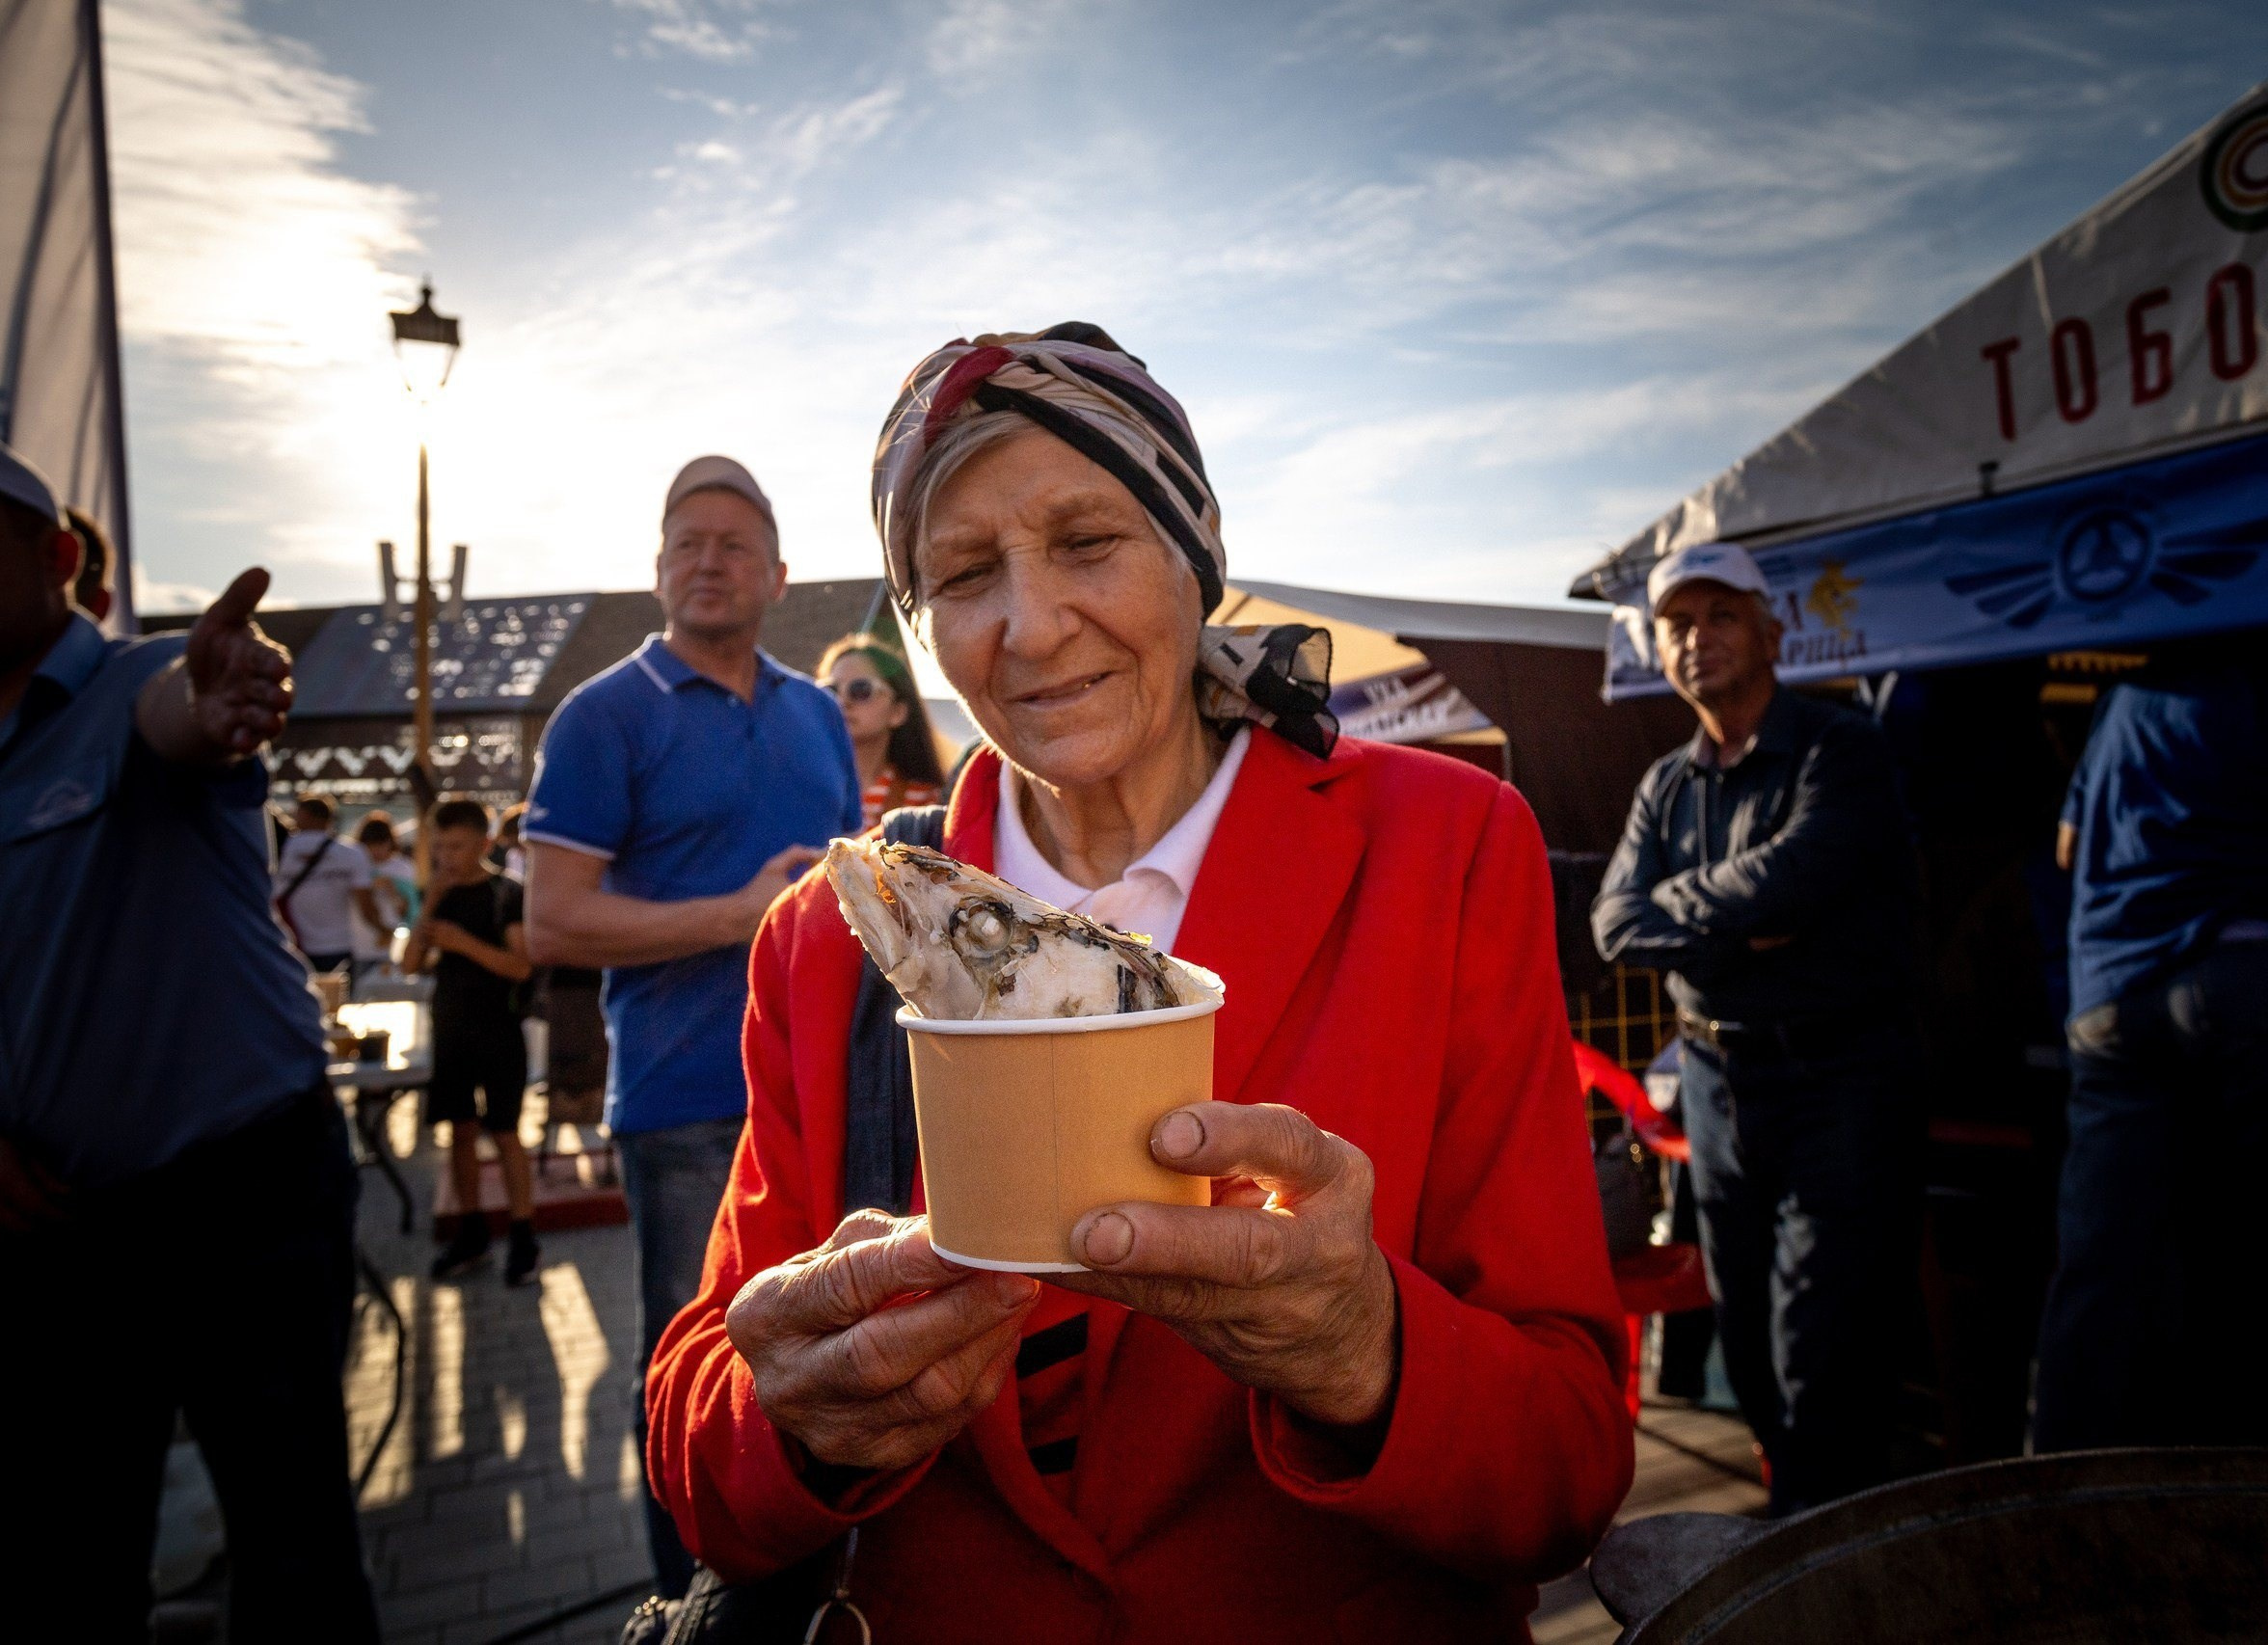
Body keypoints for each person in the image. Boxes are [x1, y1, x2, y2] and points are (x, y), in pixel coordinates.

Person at [644, 327, 1631, 1641]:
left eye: (1089, 541)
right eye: (964, 572)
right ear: (927, 624)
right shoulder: (835, 934)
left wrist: (1368, 1349)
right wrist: (800, 1424)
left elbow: (1568, 1461)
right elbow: (699, 1443)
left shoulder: (1444, 845)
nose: (1033, 622)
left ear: (1196, 550)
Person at [0, 420, 378, 1637]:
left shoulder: (134, 685)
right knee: (57, 1569)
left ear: (55, 550)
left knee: (292, 1549)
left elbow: (184, 712)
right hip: (21, 1230)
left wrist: (221, 695)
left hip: (235, 1199)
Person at [524, 454, 860, 1596]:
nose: (704, 559)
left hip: (825, 1092)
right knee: (695, 1362)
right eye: (683, 542)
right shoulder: (602, 714)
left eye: (729, 542)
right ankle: (691, 1599)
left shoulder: (817, 710)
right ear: (657, 570)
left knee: (830, 1356)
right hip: (682, 1104)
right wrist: (739, 915)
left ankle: (812, 1579)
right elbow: (551, 921)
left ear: (776, 574)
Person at [1591, 540, 1923, 1516]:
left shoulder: (1840, 748)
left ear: (1772, 633)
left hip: (1843, 1073)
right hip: (1718, 1076)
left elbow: (1799, 874)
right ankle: (1803, 1511)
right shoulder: (1665, 781)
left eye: (1720, 615)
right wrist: (1743, 927)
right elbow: (1614, 921)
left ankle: (1825, 1531)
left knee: (1823, 1326)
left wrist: (1682, 909)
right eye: (1678, 623)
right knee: (1741, 1319)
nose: (1698, 638)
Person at [2033, 632, 2268, 1451]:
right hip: (2237, 976)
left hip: (2110, 1001)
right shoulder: (2246, 690)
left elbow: (2066, 848)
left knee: (2100, 1258)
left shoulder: (2119, 707)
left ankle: (2052, 1483)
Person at [409, 796, 540, 1285]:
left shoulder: (507, 892)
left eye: (456, 846)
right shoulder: (439, 892)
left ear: (483, 844)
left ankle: (523, 1236)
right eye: (439, 847)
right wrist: (431, 904)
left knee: (505, 1132)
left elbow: (521, 965)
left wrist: (460, 942)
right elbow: (407, 963)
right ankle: (472, 1231)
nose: (446, 856)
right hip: (450, 1028)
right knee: (459, 1132)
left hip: (498, 1030)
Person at [818, 634, 944, 828]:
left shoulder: (929, 802)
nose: (842, 701)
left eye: (860, 689)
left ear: (898, 712)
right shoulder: (800, 792)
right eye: (830, 691)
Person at [275, 793, 383, 975]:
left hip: (290, 944)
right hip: (339, 946)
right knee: (337, 1000)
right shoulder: (352, 853)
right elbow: (366, 906)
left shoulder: (280, 850)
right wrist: (383, 929)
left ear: (303, 815)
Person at [351, 809, 418, 980]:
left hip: (391, 945)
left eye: (381, 844)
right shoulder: (354, 864)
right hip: (357, 944)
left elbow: (409, 910)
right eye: (370, 845)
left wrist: (392, 891)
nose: (376, 851)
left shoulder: (403, 868)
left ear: (390, 842)